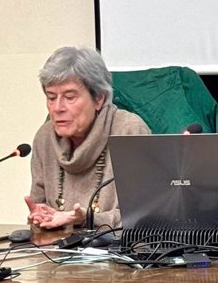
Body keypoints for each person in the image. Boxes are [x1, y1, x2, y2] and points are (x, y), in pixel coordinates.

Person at [25, 46, 151, 230]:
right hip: (58, 252)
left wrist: (89, 219)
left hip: (117, 252)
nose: (57, 108)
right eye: (51, 97)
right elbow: (39, 209)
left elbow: (145, 215)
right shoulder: (44, 138)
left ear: (99, 98)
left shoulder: (129, 131)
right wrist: (40, 217)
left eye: (69, 97)